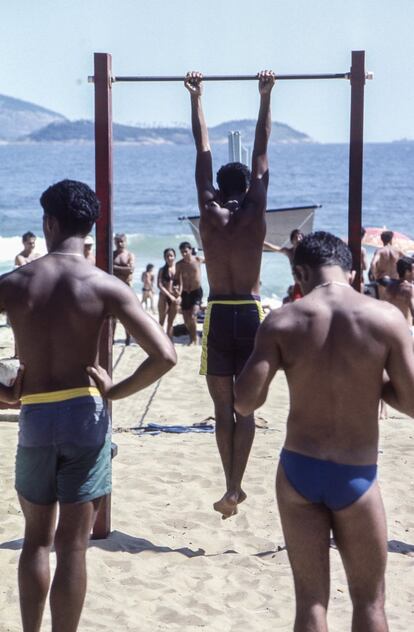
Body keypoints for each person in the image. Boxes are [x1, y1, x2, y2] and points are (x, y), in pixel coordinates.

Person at [0, 179, 176, 632]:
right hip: (84, 415)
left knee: (37, 540)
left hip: (35, 415)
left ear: (49, 223)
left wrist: (2, 392)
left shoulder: (15, 282)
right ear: (90, 228)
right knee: (73, 547)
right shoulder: (105, 285)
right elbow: (165, 355)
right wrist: (115, 390)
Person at [233, 231, 414, 631]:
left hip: (299, 469)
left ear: (300, 274)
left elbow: (245, 402)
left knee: (311, 603)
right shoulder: (385, 318)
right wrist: (372, 384)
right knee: (370, 604)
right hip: (356, 473)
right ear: (350, 272)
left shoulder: (282, 320)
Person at [185, 69, 275, 518]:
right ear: (251, 188)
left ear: (220, 189)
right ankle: (236, 488)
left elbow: (202, 150)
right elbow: (261, 152)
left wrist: (197, 97)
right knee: (246, 409)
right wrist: (265, 96)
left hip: (219, 312)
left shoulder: (208, 210)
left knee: (223, 409)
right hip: (252, 314)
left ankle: (231, 488)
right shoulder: (257, 211)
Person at [174, 241, 203, 345]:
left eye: (186, 251)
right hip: (185, 293)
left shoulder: (198, 260)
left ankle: (195, 339)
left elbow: (213, 260)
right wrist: (176, 287)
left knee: (193, 316)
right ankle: (192, 338)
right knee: (186, 320)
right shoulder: (179, 264)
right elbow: (176, 279)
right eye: (182, 252)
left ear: (191, 250)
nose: (184, 254)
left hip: (196, 292)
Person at [264, 229, 304, 301]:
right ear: (292, 241)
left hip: (307, 285)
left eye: (300, 237)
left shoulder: (307, 252)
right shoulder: (289, 252)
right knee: (296, 304)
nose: (298, 239)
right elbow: (273, 248)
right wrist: (260, 242)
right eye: (296, 237)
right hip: (297, 285)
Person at [113, 233, 135, 344]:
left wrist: (115, 268)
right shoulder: (113, 254)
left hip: (126, 287)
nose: (120, 244)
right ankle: (111, 338)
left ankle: (128, 338)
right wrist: (123, 269)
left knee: (127, 315)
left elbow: (131, 269)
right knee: (113, 316)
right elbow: (108, 269)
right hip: (115, 287)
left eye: (122, 241)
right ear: (114, 242)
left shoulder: (129, 255)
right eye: (118, 241)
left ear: (125, 242)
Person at [369, 230, 405, 299]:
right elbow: (408, 261)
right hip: (395, 281)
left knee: (382, 303)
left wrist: (374, 276)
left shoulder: (380, 251)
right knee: (393, 303)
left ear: (382, 240)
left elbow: (373, 263)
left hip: (383, 280)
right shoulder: (398, 251)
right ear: (391, 239)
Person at [383, 256, 414, 329]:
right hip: (405, 329)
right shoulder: (409, 289)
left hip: (390, 327)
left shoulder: (389, 286)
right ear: (407, 272)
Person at [158, 248, 180, 339]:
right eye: (167, 256)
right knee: (162, 321)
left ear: (174, 256)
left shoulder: (178, 269)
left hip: (174, 297)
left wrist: (178, 293)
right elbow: (159, 285)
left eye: (171, 255)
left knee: (170, 322)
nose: (169, 258)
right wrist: (169, 296)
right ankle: (158, 339)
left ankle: (169, 341)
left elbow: (181, 283)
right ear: (164, 257)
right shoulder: (162, 270)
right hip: (164, 297)